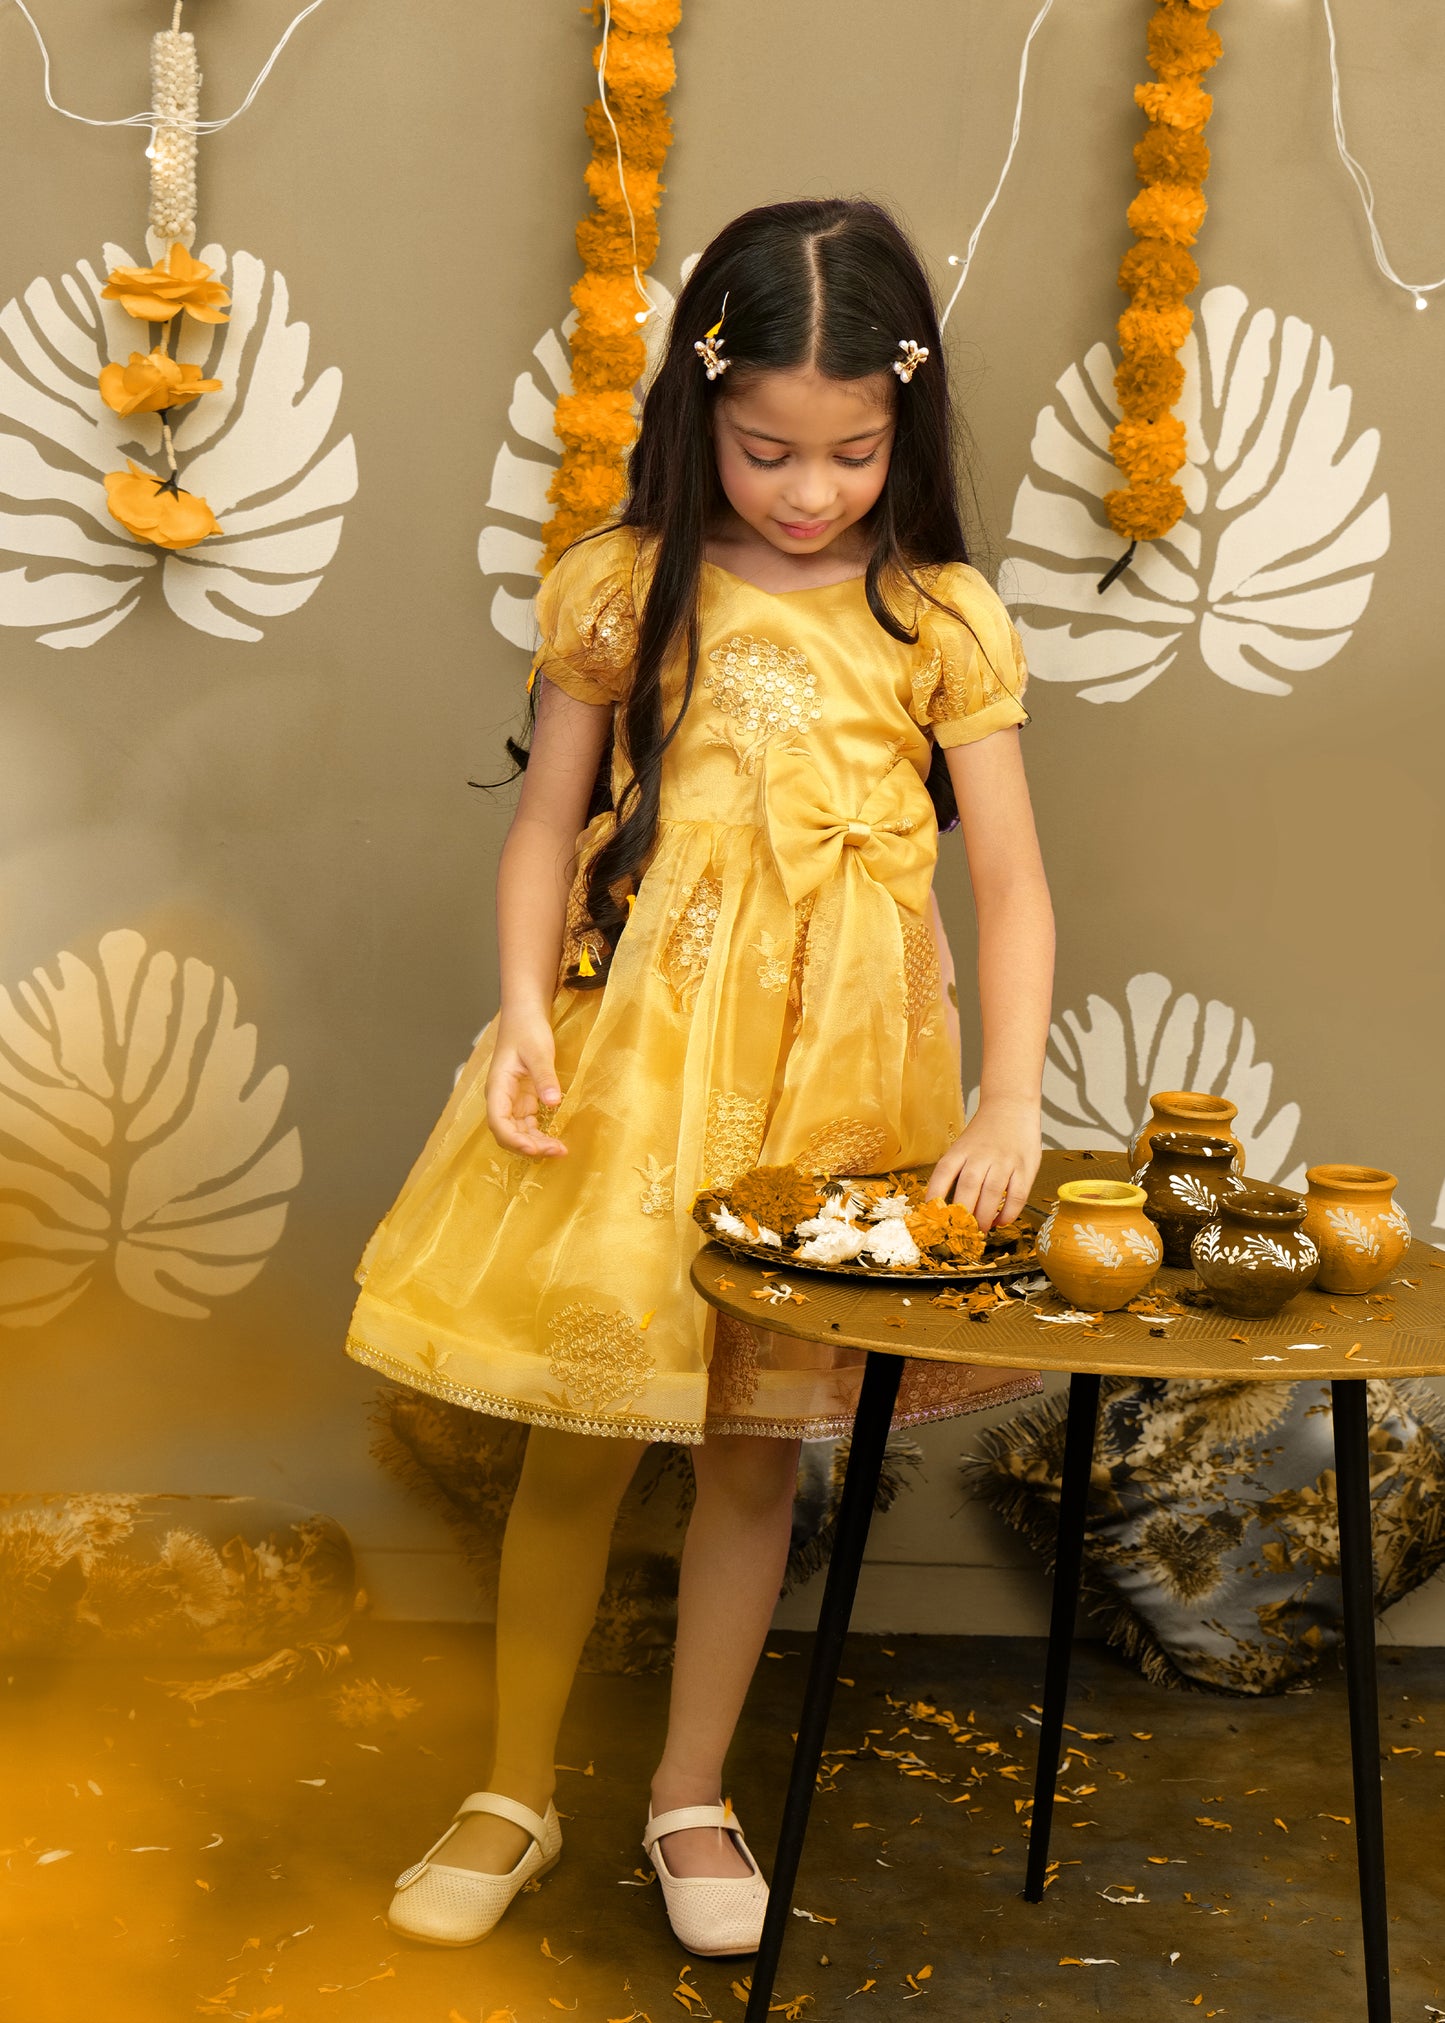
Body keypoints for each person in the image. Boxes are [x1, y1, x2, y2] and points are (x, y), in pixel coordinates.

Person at [345, 195, 1055, 1959]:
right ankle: (513, 1785)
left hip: (837, 1091)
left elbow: (1013, 879)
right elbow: (539, 823)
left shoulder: (939, 615)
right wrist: (523, 1011)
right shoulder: (620, 581)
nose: (806, 492)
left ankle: (688, 1787)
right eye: (764, 453)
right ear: (699, 410)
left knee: (756, 1452)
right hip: (641, 1068)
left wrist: (1006, 1103)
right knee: (581, 1435)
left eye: (848, 454)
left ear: (904, 421)